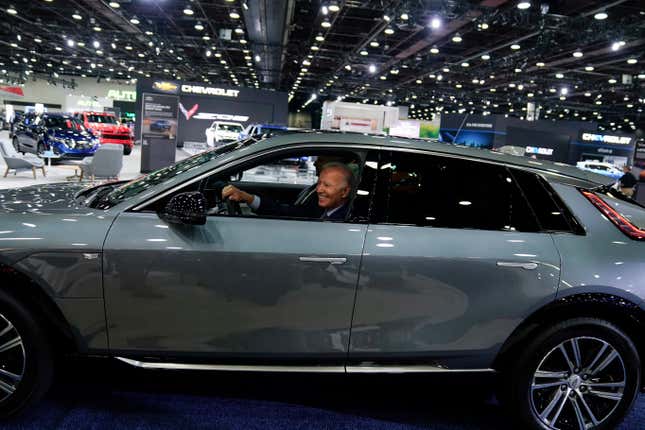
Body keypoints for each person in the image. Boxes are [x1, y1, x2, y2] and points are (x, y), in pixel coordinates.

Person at [222, 162, 354, 221]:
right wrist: (247, 197)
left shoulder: (345, 220)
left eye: (327, 185)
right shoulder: (320, 209)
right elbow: (285, 212)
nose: (319, 190)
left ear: (344, 192)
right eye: (319, 183)